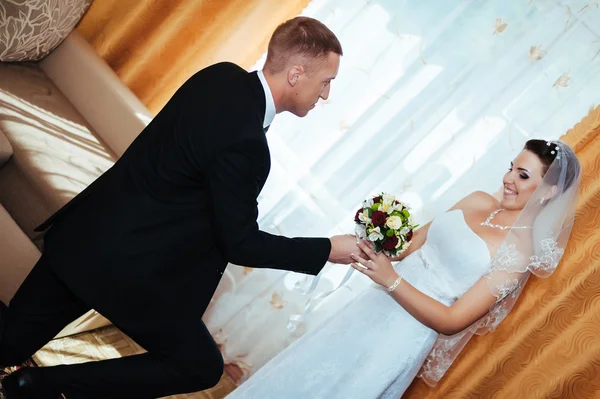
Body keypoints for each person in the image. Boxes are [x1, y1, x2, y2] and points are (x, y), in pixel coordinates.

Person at [0, 17, 362, 398]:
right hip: (128, 272)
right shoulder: (248, 143)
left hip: (84, 233)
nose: (325, 96)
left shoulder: (220, 76)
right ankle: (44, 385)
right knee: (200, 366)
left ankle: (29, 382)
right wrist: (326, 249)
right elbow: (240, 243)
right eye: (326, 82)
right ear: (296, 74)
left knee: (9, 342)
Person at [225, 139, 582, 399]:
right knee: (303, 370)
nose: (508, 179)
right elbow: (410, 245)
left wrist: (392, 281)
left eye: (522, 175)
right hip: (374, 304)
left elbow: (452, 320)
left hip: (402, 334)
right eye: (511, 168)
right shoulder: (477, 199)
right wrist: (379, 230)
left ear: (547, 192)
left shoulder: (519, 254)